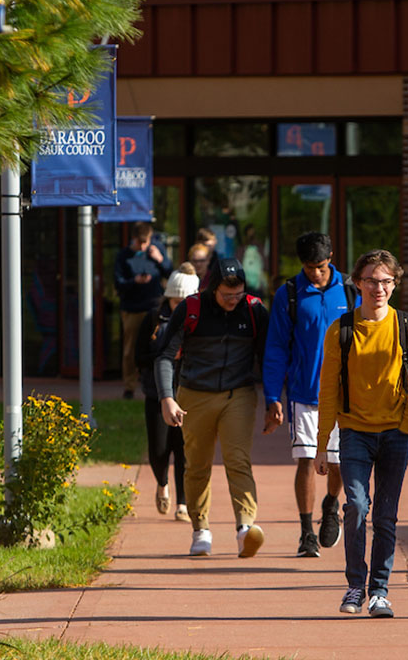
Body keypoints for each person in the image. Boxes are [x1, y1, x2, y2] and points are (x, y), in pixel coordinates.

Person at [317, 249, 408, 619]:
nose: (377, 288)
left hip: (396, 434)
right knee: (357, 507)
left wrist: (407, 424)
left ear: (395, 284)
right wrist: (321, 445)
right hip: (354, 434)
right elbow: (328, 388)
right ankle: (354, 585)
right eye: (370, 280)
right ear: (357, 283)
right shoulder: (341, 330)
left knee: (385, 515)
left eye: (385, 281)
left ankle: (379, 590)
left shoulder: (407, 327)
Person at [156, 257, 270, 557]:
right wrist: (167, 397)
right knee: (197, 465)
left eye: (238, 294)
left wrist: (274, 400)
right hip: (194, 395)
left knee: (238, 459)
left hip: (239, 394)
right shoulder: (190, 308)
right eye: (226, 295)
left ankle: (245, 528)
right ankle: (200, 529)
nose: (234, 300)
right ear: (211, 288)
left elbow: (269, 358)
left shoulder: (254, 309)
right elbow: (165, 356)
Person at [262, 232, 356, 558]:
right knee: (305, 459)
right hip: (304, 392)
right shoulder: (289, 294)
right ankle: (306, 533)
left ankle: (331, 506)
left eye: (320, 266)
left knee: (338, 461)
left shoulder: (350, 291)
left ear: (331, 257)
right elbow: (275, 348)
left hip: (345, 394)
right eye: (308, 267)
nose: (315, 272)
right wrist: (272, 396)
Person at [137, 264, 200, 523]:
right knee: (159, 449)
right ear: (168, 298)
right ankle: (162, 483)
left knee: (184, 450)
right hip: (157, 394)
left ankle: (183, 503)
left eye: (185, 301)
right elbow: (137, 357)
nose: (180, 306)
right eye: (176, 301)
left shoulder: (199, 321)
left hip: (188, 393)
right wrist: (165, 356)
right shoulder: (153, 319)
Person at [114, 222, 173, 400]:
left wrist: (160, 259)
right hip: (133, 309)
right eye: (140, 242)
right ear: (133, 238)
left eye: (146, 242)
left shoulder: (156, 250)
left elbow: (170, 274)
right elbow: (118, 284)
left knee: (158, 345)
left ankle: (158, 383)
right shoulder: (124, 256)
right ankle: (130, 386)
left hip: (155, 308)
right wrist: (134, 281)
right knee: (130, 349)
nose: (143, 246)